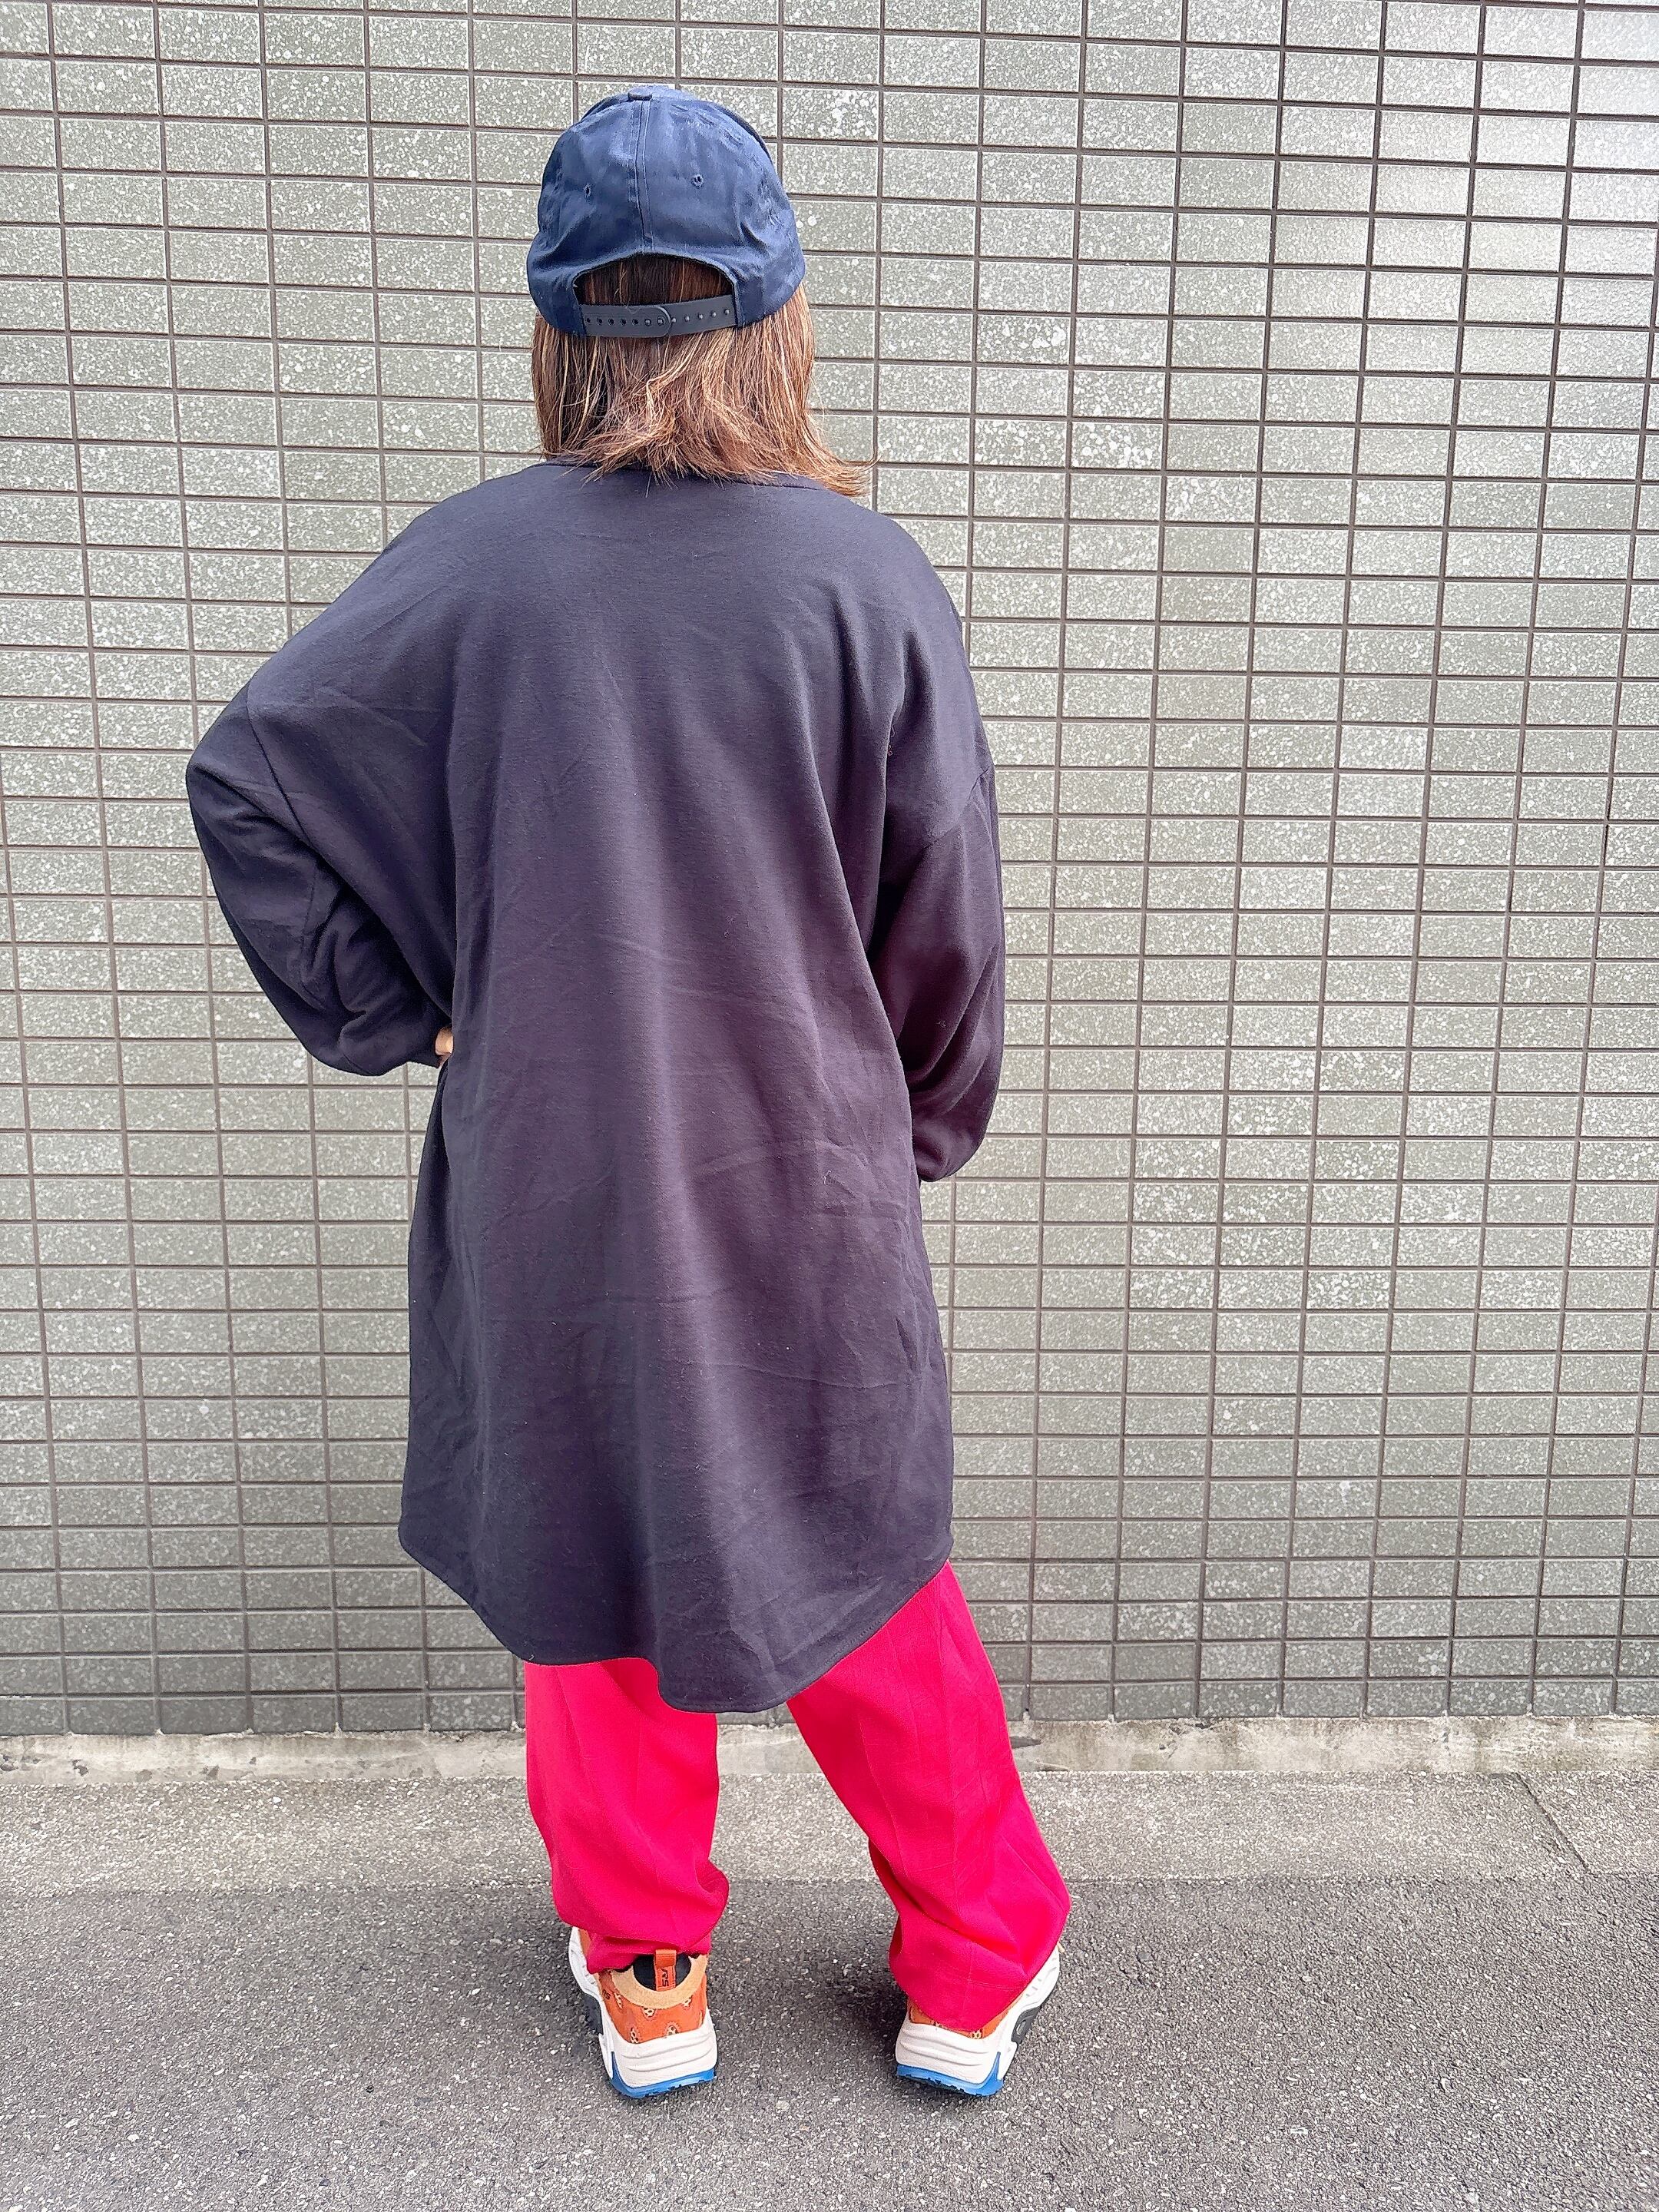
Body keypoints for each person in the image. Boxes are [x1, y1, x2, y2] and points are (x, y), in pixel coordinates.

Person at [186, 84, 1069, 2101]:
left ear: (560, 322)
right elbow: (944, 899)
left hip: (554, 1171)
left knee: (584, 1544)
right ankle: (973, 1954)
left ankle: (650, 1963)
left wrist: (412, 1014)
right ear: (777, 315)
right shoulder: (862, 581)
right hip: (799, 1170)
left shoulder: (467, 569)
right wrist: (917, 1117)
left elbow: (253, 780)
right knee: (859, 1548)